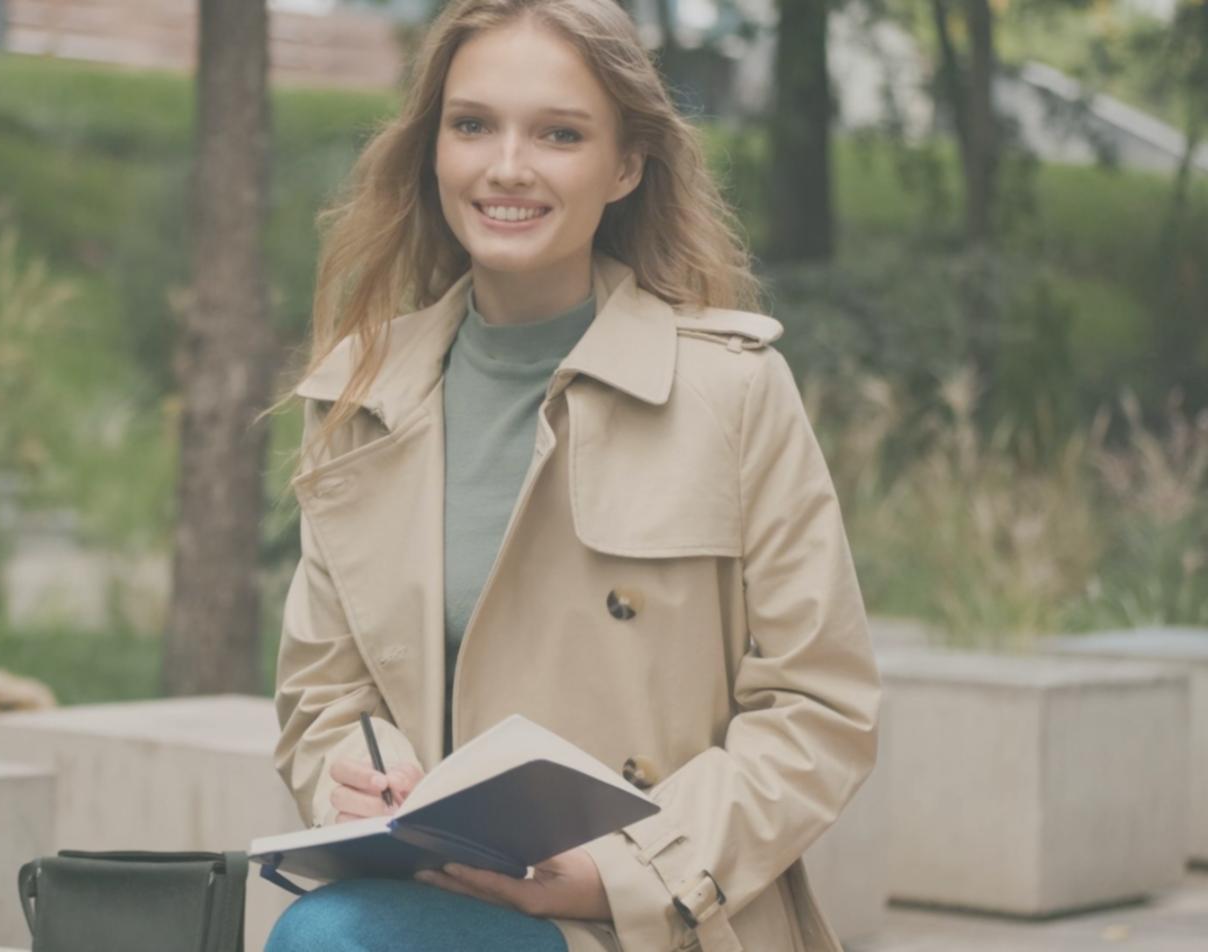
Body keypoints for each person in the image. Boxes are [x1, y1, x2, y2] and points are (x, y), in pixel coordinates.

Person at [264, 1, 881, 949]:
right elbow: (323, 697)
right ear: (434, 148)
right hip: (432, 894)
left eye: (559, 133)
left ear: (625, 165)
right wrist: (355, 768)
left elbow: (817, 707)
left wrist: (623, 872)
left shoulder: (732, 389)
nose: (507, 167)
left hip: (658, 920)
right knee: (333, 933)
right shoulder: (361, 394)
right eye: (472, 125)